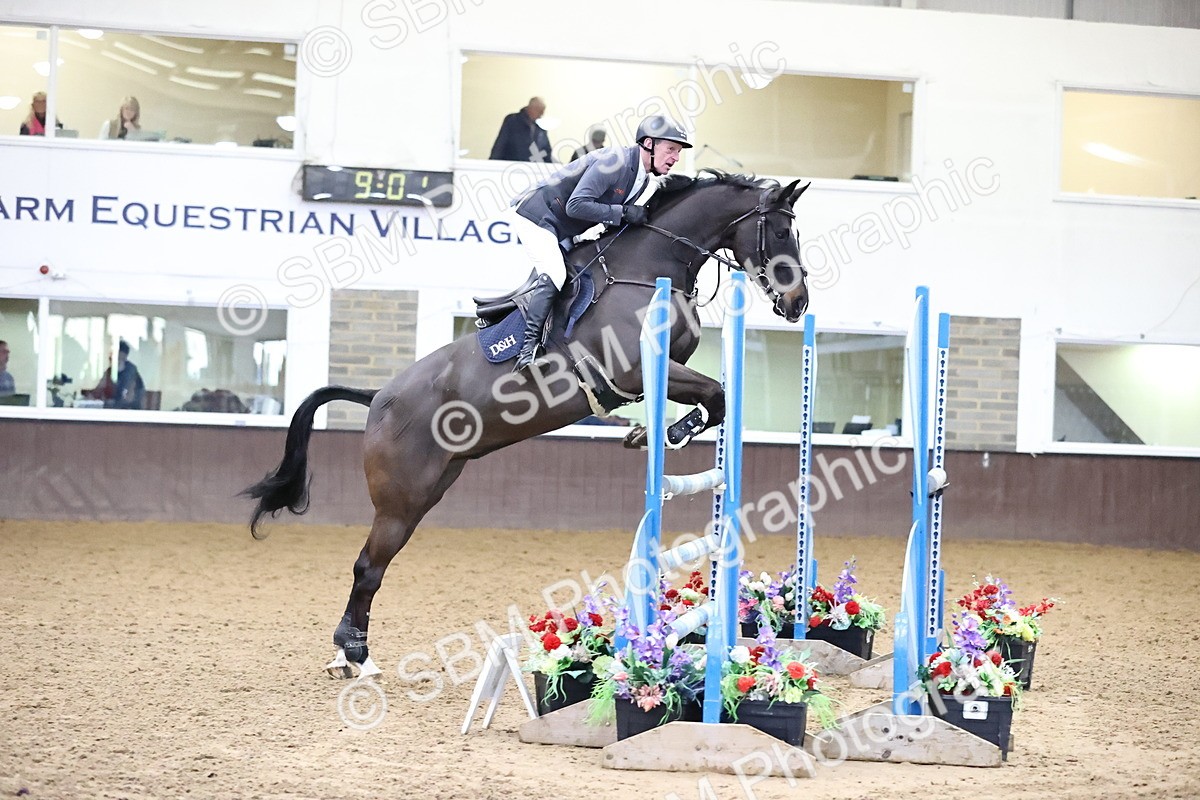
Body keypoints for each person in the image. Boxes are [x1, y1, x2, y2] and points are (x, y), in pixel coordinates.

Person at [506, 114, 692, 370]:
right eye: (671, 149)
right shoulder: (614, 161)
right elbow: (576, 205)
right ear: (648, 143)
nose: (675, 158)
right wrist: (623, 213)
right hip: (537, 216)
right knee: (556, 274)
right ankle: (527, 352)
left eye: (678, 152)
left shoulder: (642, 178)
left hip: (563, 226)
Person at [489, 96, 553, 163]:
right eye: (540, 111)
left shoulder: (541, 127)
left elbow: (546, 151)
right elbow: (500, 144)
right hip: (512, 166)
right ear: (531, 108)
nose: (541, 115)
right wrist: (492, 163)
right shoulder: (513, 121)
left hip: (533, 169)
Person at [87, 340, 145, 409]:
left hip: (128, 413)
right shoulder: (109, 371)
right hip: (112, 411)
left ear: (123, 355)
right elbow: (98, 390)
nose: (110, 356)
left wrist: (109, 402)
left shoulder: (131, 372)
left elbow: (128, 398)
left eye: (113, 353)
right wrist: (89, 398)